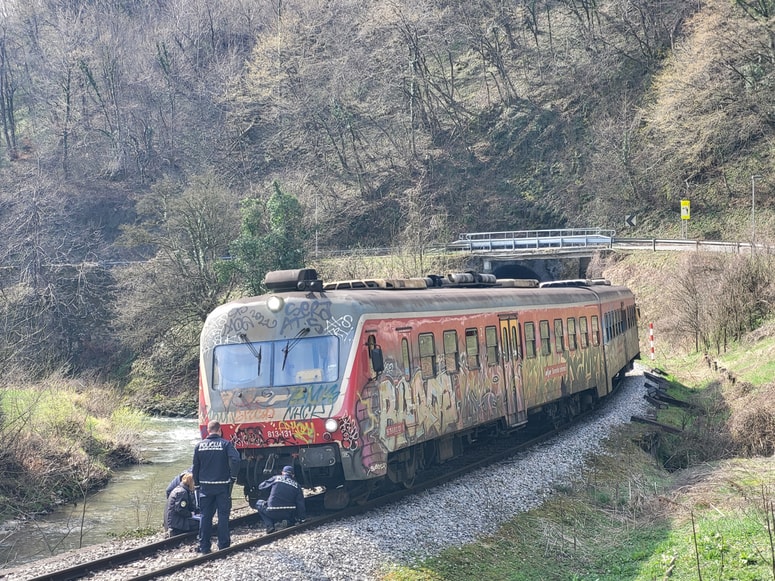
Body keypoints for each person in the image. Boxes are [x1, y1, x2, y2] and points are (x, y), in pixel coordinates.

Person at [192, 420, 241, 554]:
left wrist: (197, 484)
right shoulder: (226, 444)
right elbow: (236, 460)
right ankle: (223, 545)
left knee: (205, 516)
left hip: (205, 487)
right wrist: (232, 477)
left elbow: (195, 467)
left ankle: (204, 546)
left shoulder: (199, 446)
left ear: (208, 430)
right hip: (222, 486)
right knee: (223, 516)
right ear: (219, 430)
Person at [255, 465, 306, 534]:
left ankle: (270, 526)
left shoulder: (276, 478)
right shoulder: (297, 486)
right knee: (291, 511)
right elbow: (300, 504)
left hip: (272, 511)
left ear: (282, 473)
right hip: (288, 513)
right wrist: (301, 518)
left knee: (258, 503)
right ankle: (288, 522)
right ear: (293, 475)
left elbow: (261, 486)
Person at [163, 472, 200, 537]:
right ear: (190, 483)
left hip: (173, 521)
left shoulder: (179, 489)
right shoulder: (182, 492)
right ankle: (176, 531)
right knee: (201, 523)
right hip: (177, 523)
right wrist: (191, 514)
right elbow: (180, 509)